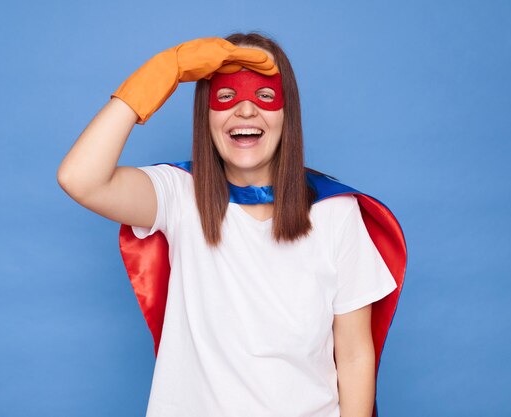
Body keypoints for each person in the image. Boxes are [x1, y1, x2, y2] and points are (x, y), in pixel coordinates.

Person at [57, 33, 406, 417]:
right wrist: (160, 72)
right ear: (205, 114)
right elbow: (81, 178)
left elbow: (355, 355)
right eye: (225, 96)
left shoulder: (335, 211)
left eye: (264, 96)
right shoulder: (178, 195)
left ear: (287, 112)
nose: (244, 110)